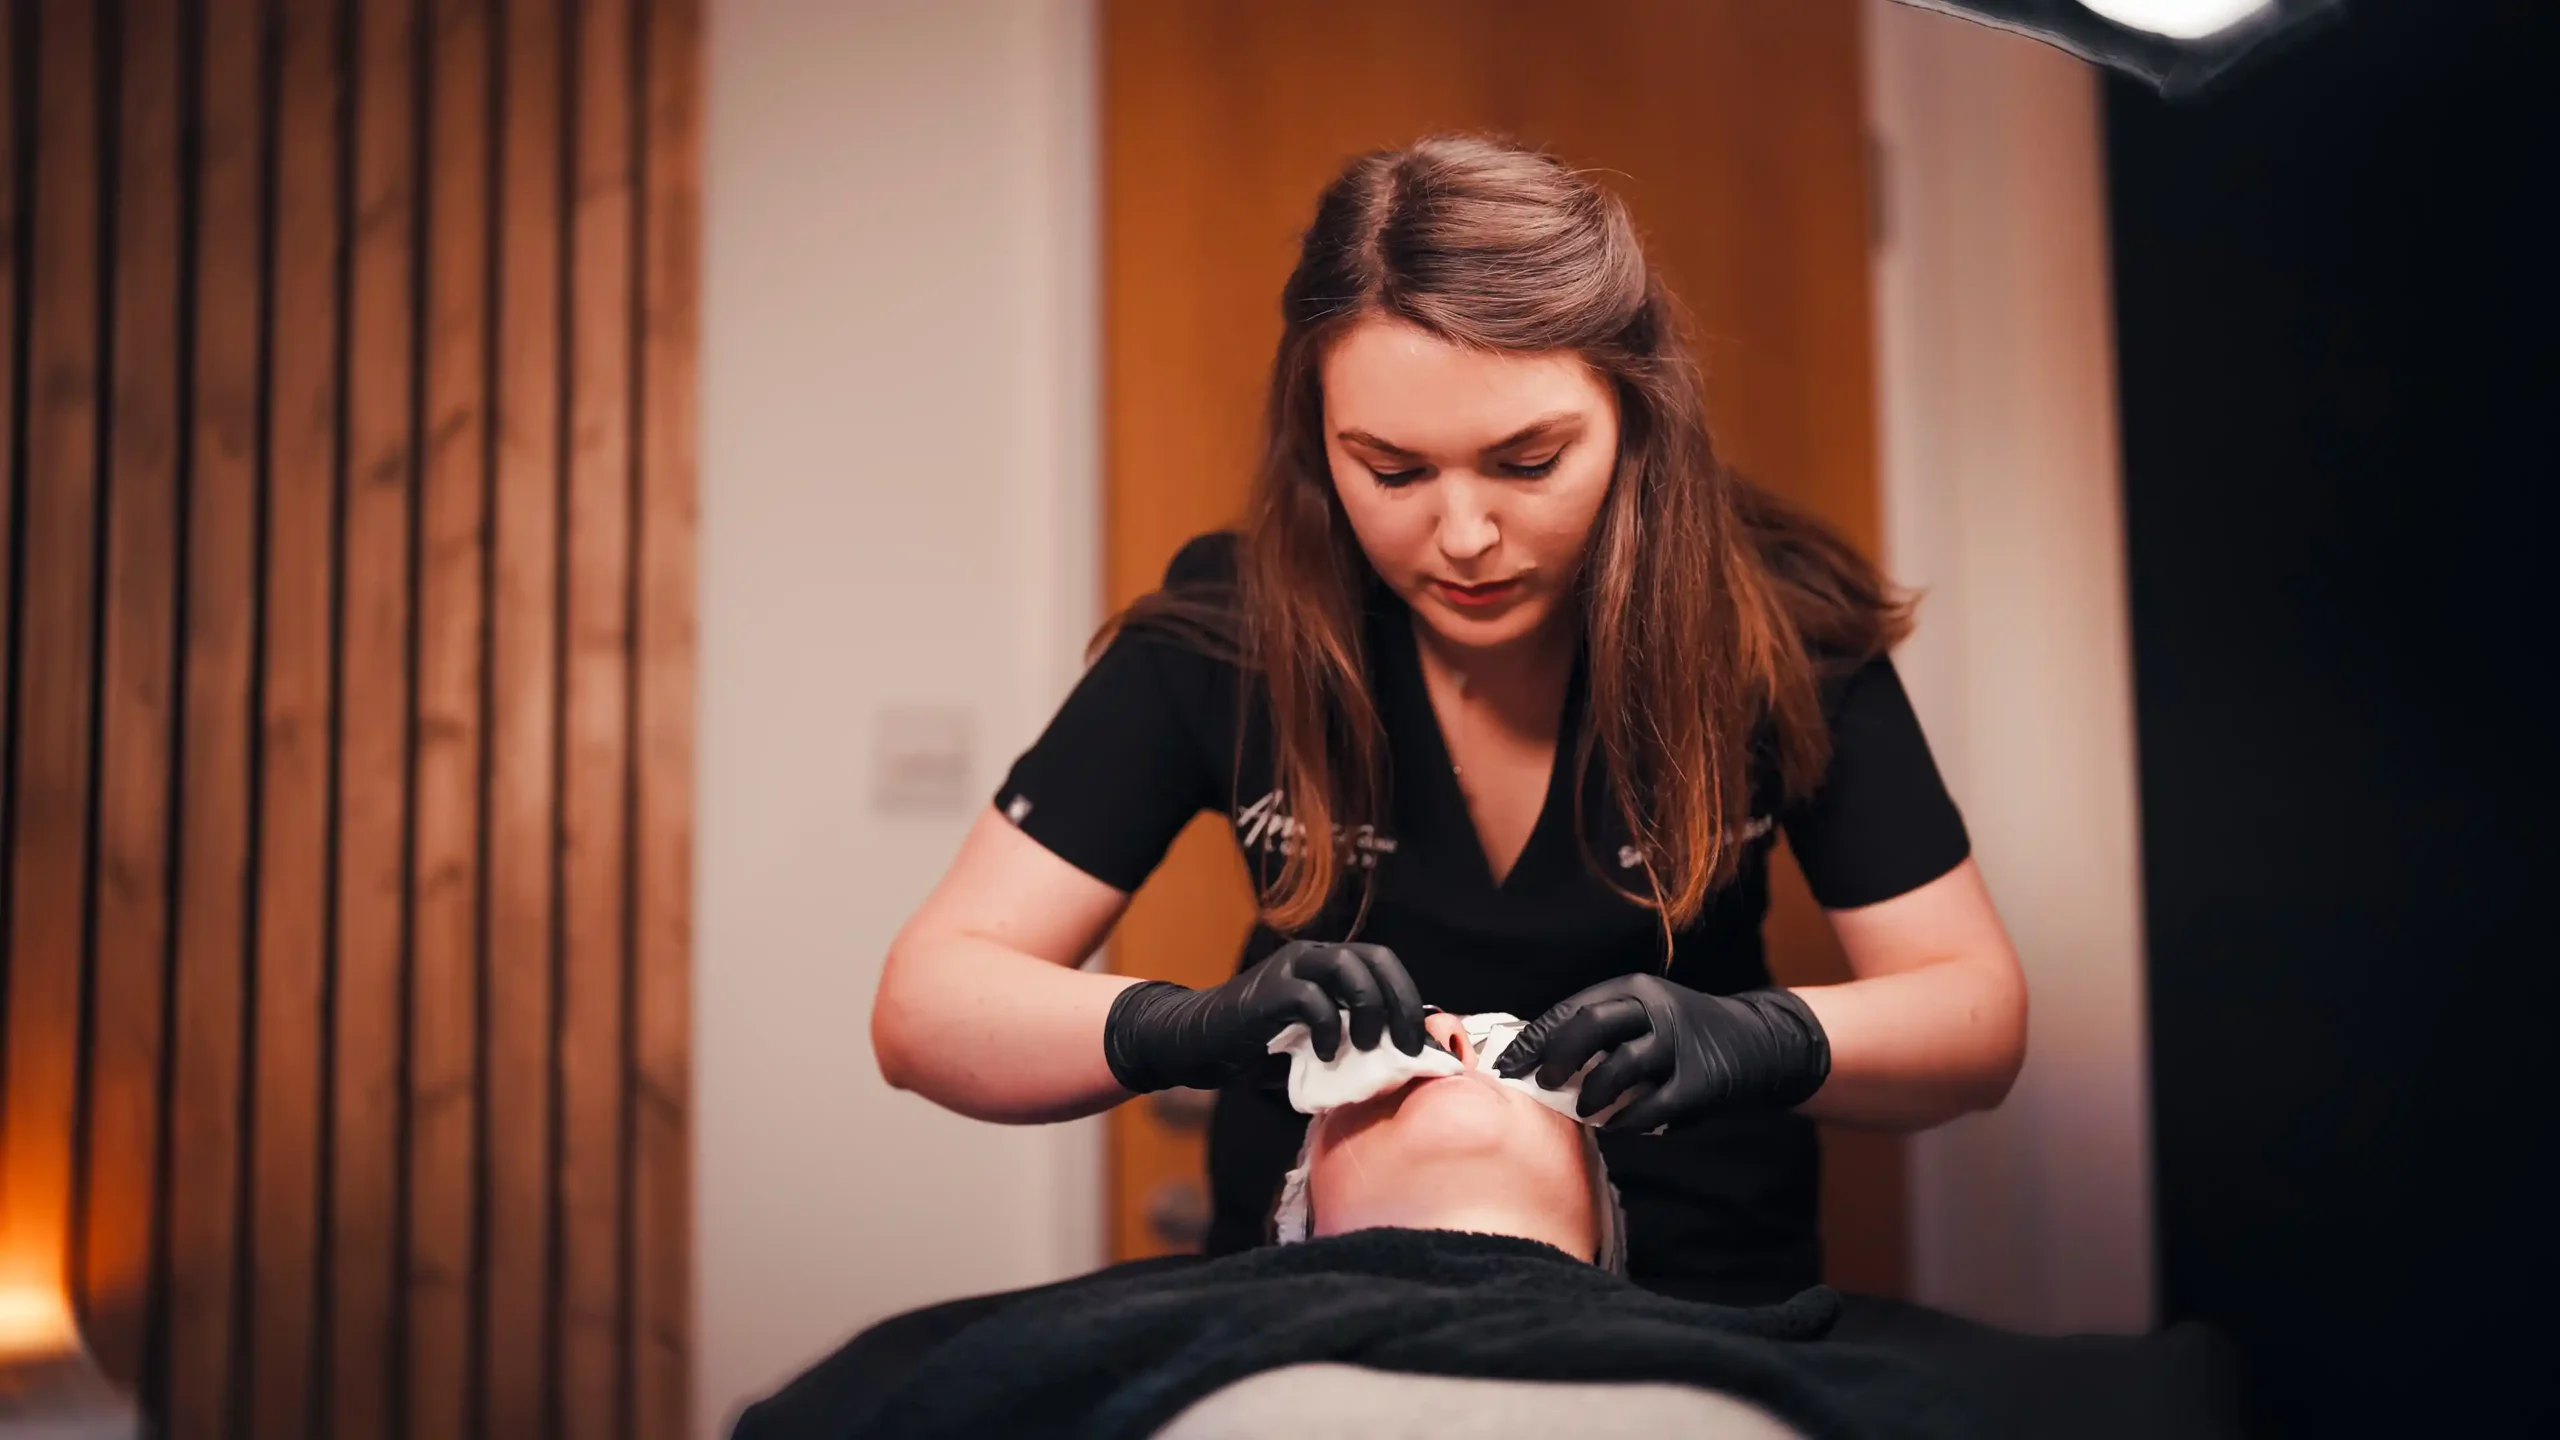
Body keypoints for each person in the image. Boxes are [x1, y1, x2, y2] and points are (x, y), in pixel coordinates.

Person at [870, 133, 2030, 1303]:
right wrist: (1189, 1028)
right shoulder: (1233, 635)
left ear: (1634, 417)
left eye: (1527, 464)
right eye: (1393, 471)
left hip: (1699, 1298)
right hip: (1309, 1307)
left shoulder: (1773, 633)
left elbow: (1972, 1018)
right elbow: (927, 1007)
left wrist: (1764, 1038)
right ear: (1319, 439)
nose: (1464, 536)